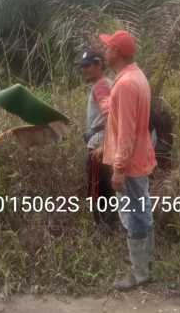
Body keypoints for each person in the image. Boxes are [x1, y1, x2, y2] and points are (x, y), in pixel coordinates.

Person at [99, 30, 156, 290]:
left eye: (108, 47)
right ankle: (145, 263)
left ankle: (139, 273)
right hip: (141, 158)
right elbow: (123, 114)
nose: (104, 51)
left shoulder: (125, 84)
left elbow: (127, 132)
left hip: (130, 163)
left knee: (133, 215)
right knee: (142, 211)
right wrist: (106, 100)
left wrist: (119, 169)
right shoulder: (136, 76)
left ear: (117, 53)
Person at [79, 49, 114, 228]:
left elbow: (110, 115)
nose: (84, 70)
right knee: (106, 187)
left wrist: (104, 144)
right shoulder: (105, 83)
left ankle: (103, 228)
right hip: (102, 140)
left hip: (100, 143)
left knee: (97, 188)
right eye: (82, 67)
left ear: (99, 65)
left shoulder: (101, 85)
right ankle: (110, 225)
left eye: (87, 66)